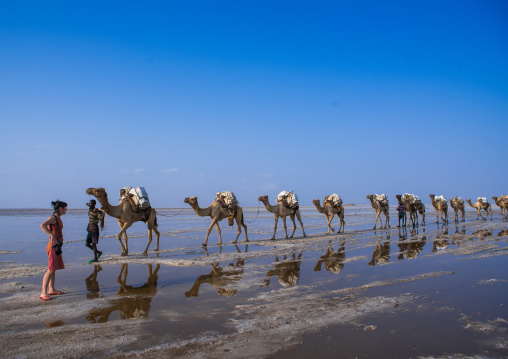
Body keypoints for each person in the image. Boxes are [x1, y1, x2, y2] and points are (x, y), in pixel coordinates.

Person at [40, 200, 67, 300]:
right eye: (65, 208)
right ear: (61, 208)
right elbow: (42, 225)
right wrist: (51, 235)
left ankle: (52, 289)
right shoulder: (53, 218)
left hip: (57, 246)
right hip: (52, 246)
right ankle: (43, 292)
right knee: (50, 269)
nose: (66, 209)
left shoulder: (58, 218)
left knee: (53, 268)